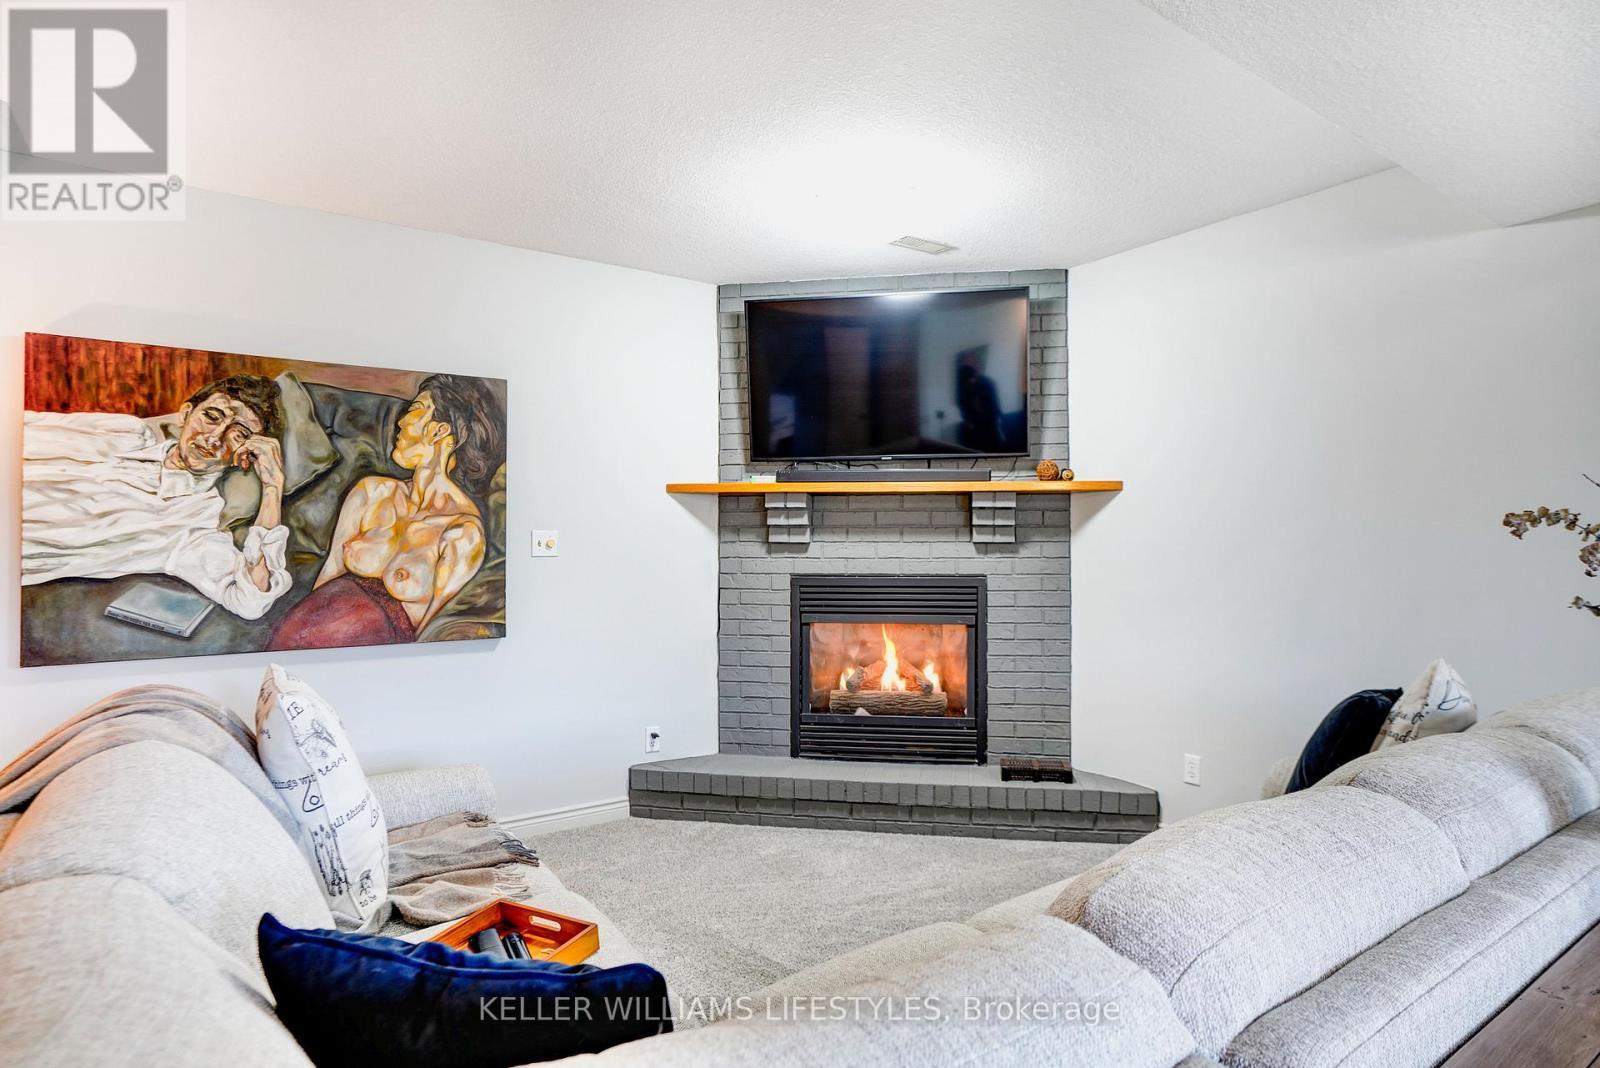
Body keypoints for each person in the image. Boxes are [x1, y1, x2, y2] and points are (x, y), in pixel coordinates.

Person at [22, 375, 292, 620]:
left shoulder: (194, 522)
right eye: (211, 416)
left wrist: (272, 487)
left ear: (245, 455)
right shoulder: (127, 433)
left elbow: (250, 600)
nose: (214, 438)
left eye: (238, 434)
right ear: (186, 413)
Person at [268, 374, 503, 648]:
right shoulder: (371, 492)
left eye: (414, 411)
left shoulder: (462, 533)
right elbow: (329, 573)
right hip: (304, 633)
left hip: (373, 652)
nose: (401, 422)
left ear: (440, 431)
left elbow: (431, 628)